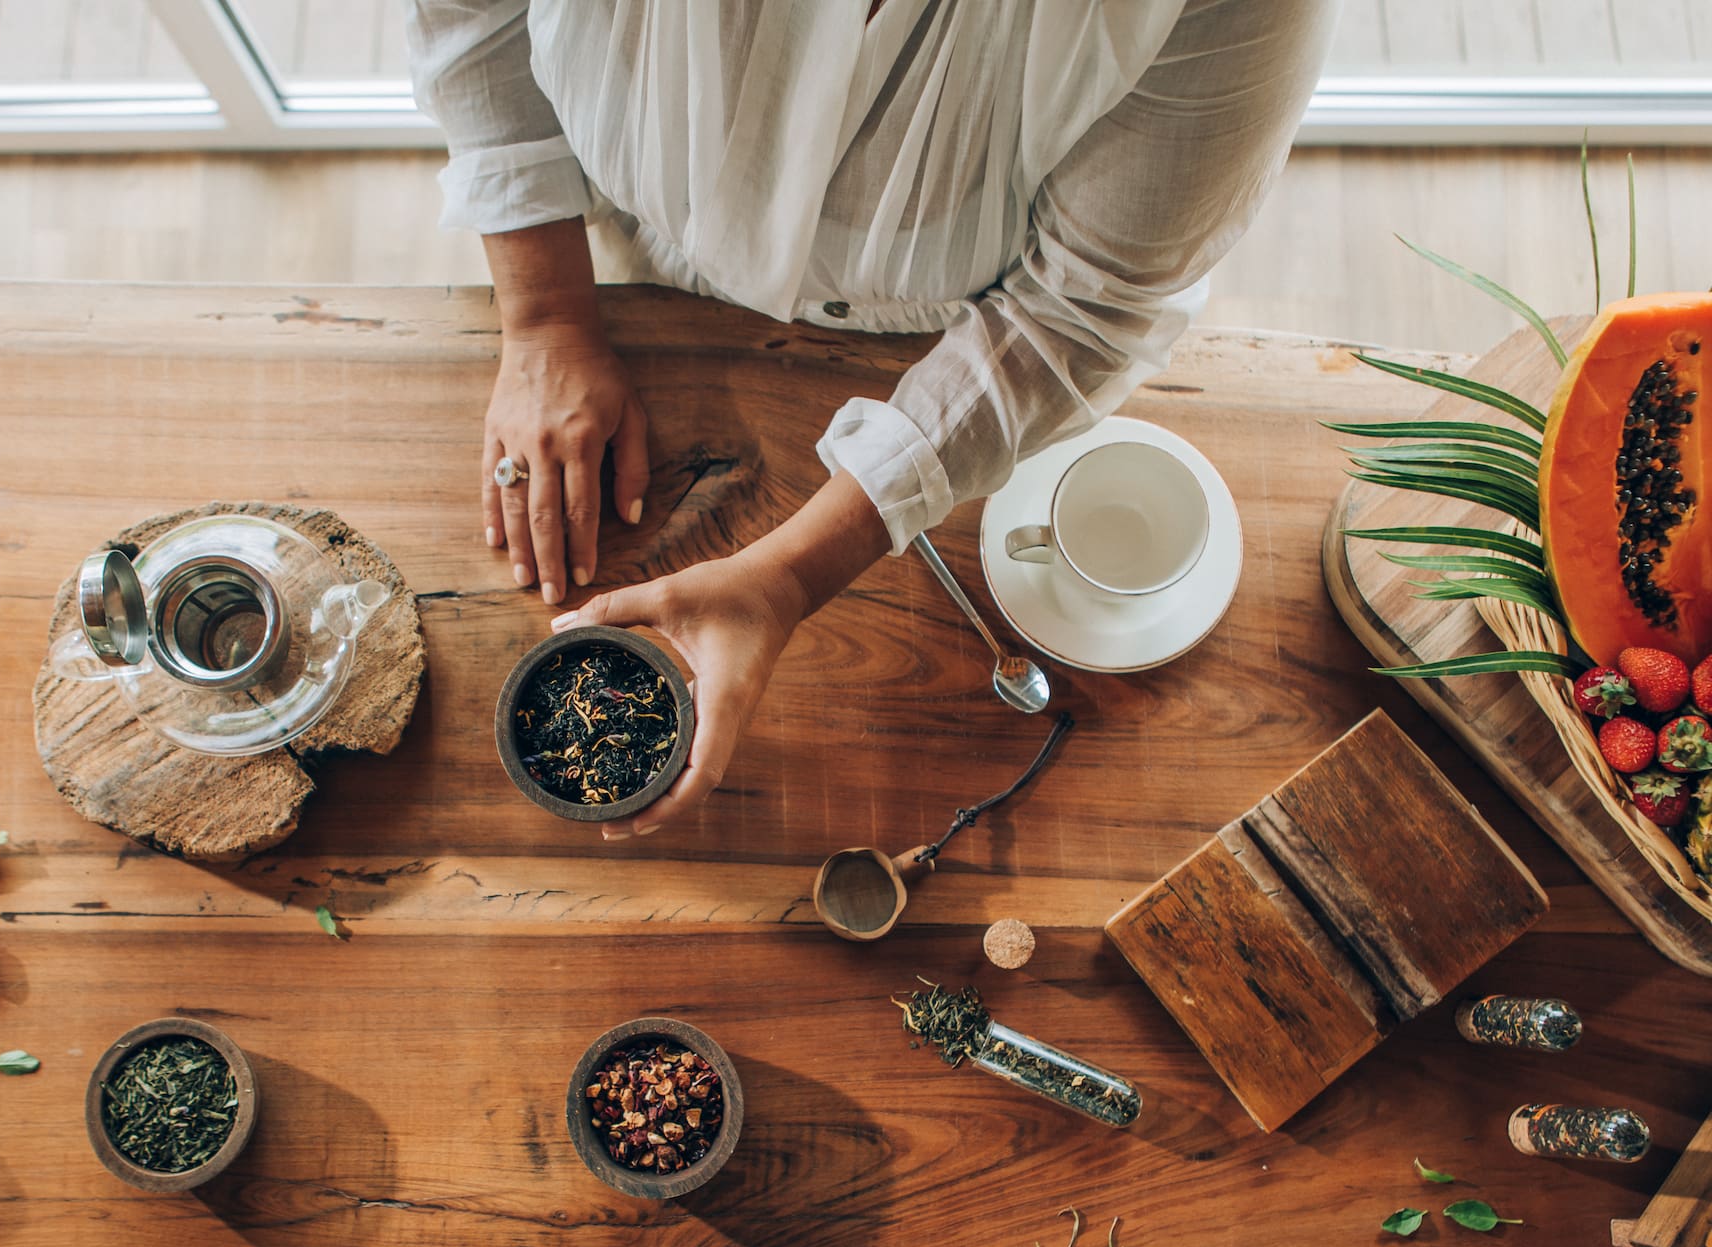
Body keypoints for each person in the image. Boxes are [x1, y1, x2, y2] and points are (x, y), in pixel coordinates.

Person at [406, 0, 1337, 837]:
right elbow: (471, 15)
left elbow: (1078, 313)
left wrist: (786, 578)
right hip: (646, 263)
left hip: (954, 348)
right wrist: (546, 313)